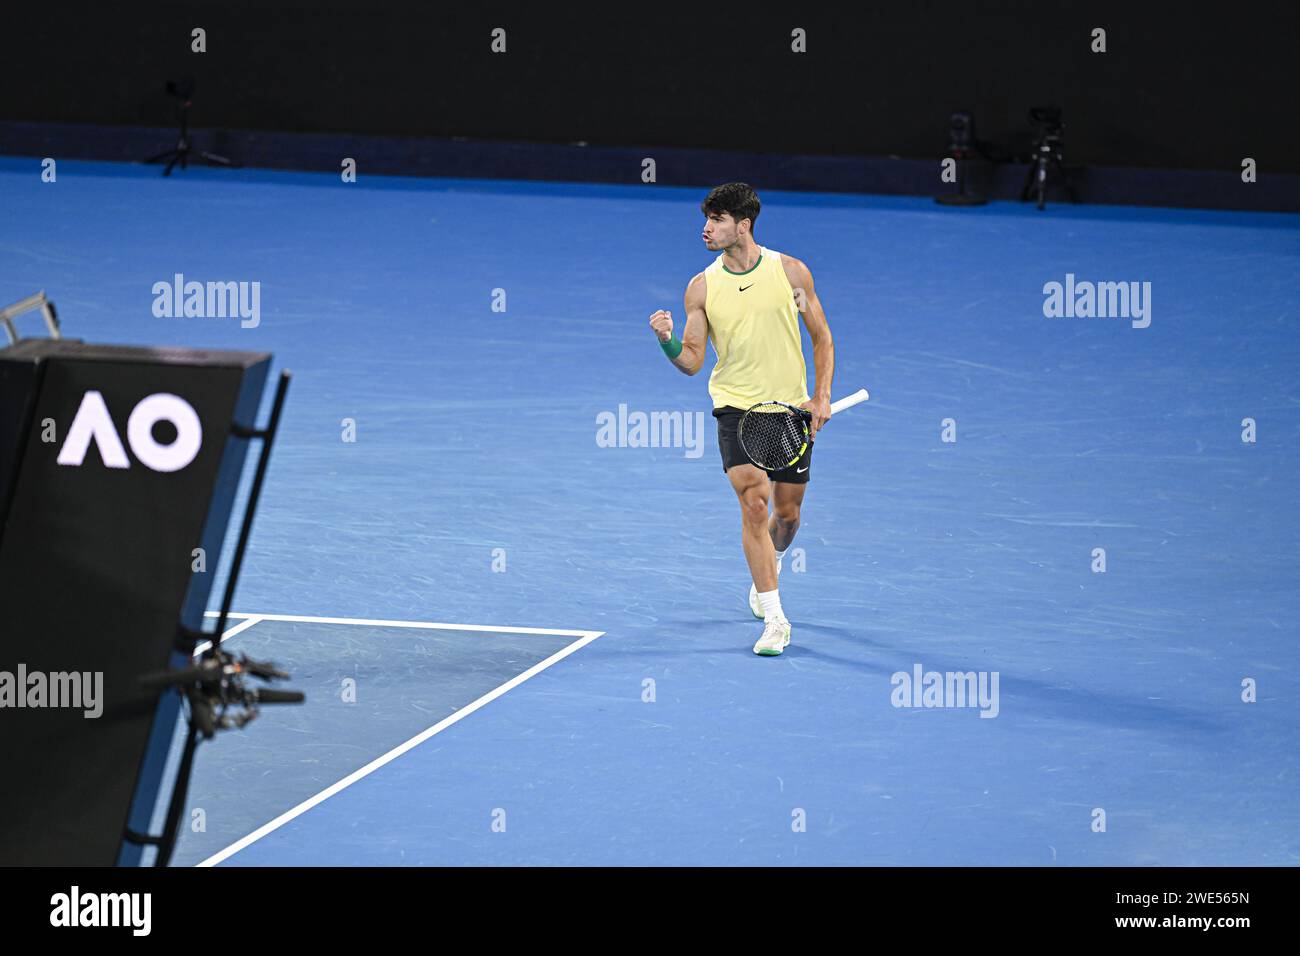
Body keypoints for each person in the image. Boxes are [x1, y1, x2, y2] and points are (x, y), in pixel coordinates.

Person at [649, 182, 835, 655]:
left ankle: (770, 561)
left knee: (787, 516)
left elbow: (822, 338)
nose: (706, 229)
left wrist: (820, 397)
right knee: (754, 503)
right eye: (707, 219)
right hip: (735, 408)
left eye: (717, 220)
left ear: (743, 225)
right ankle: (775, 618)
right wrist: (668, 341)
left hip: (788, 409)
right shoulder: (702, 287)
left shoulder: (790, 273)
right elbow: (692, 361)